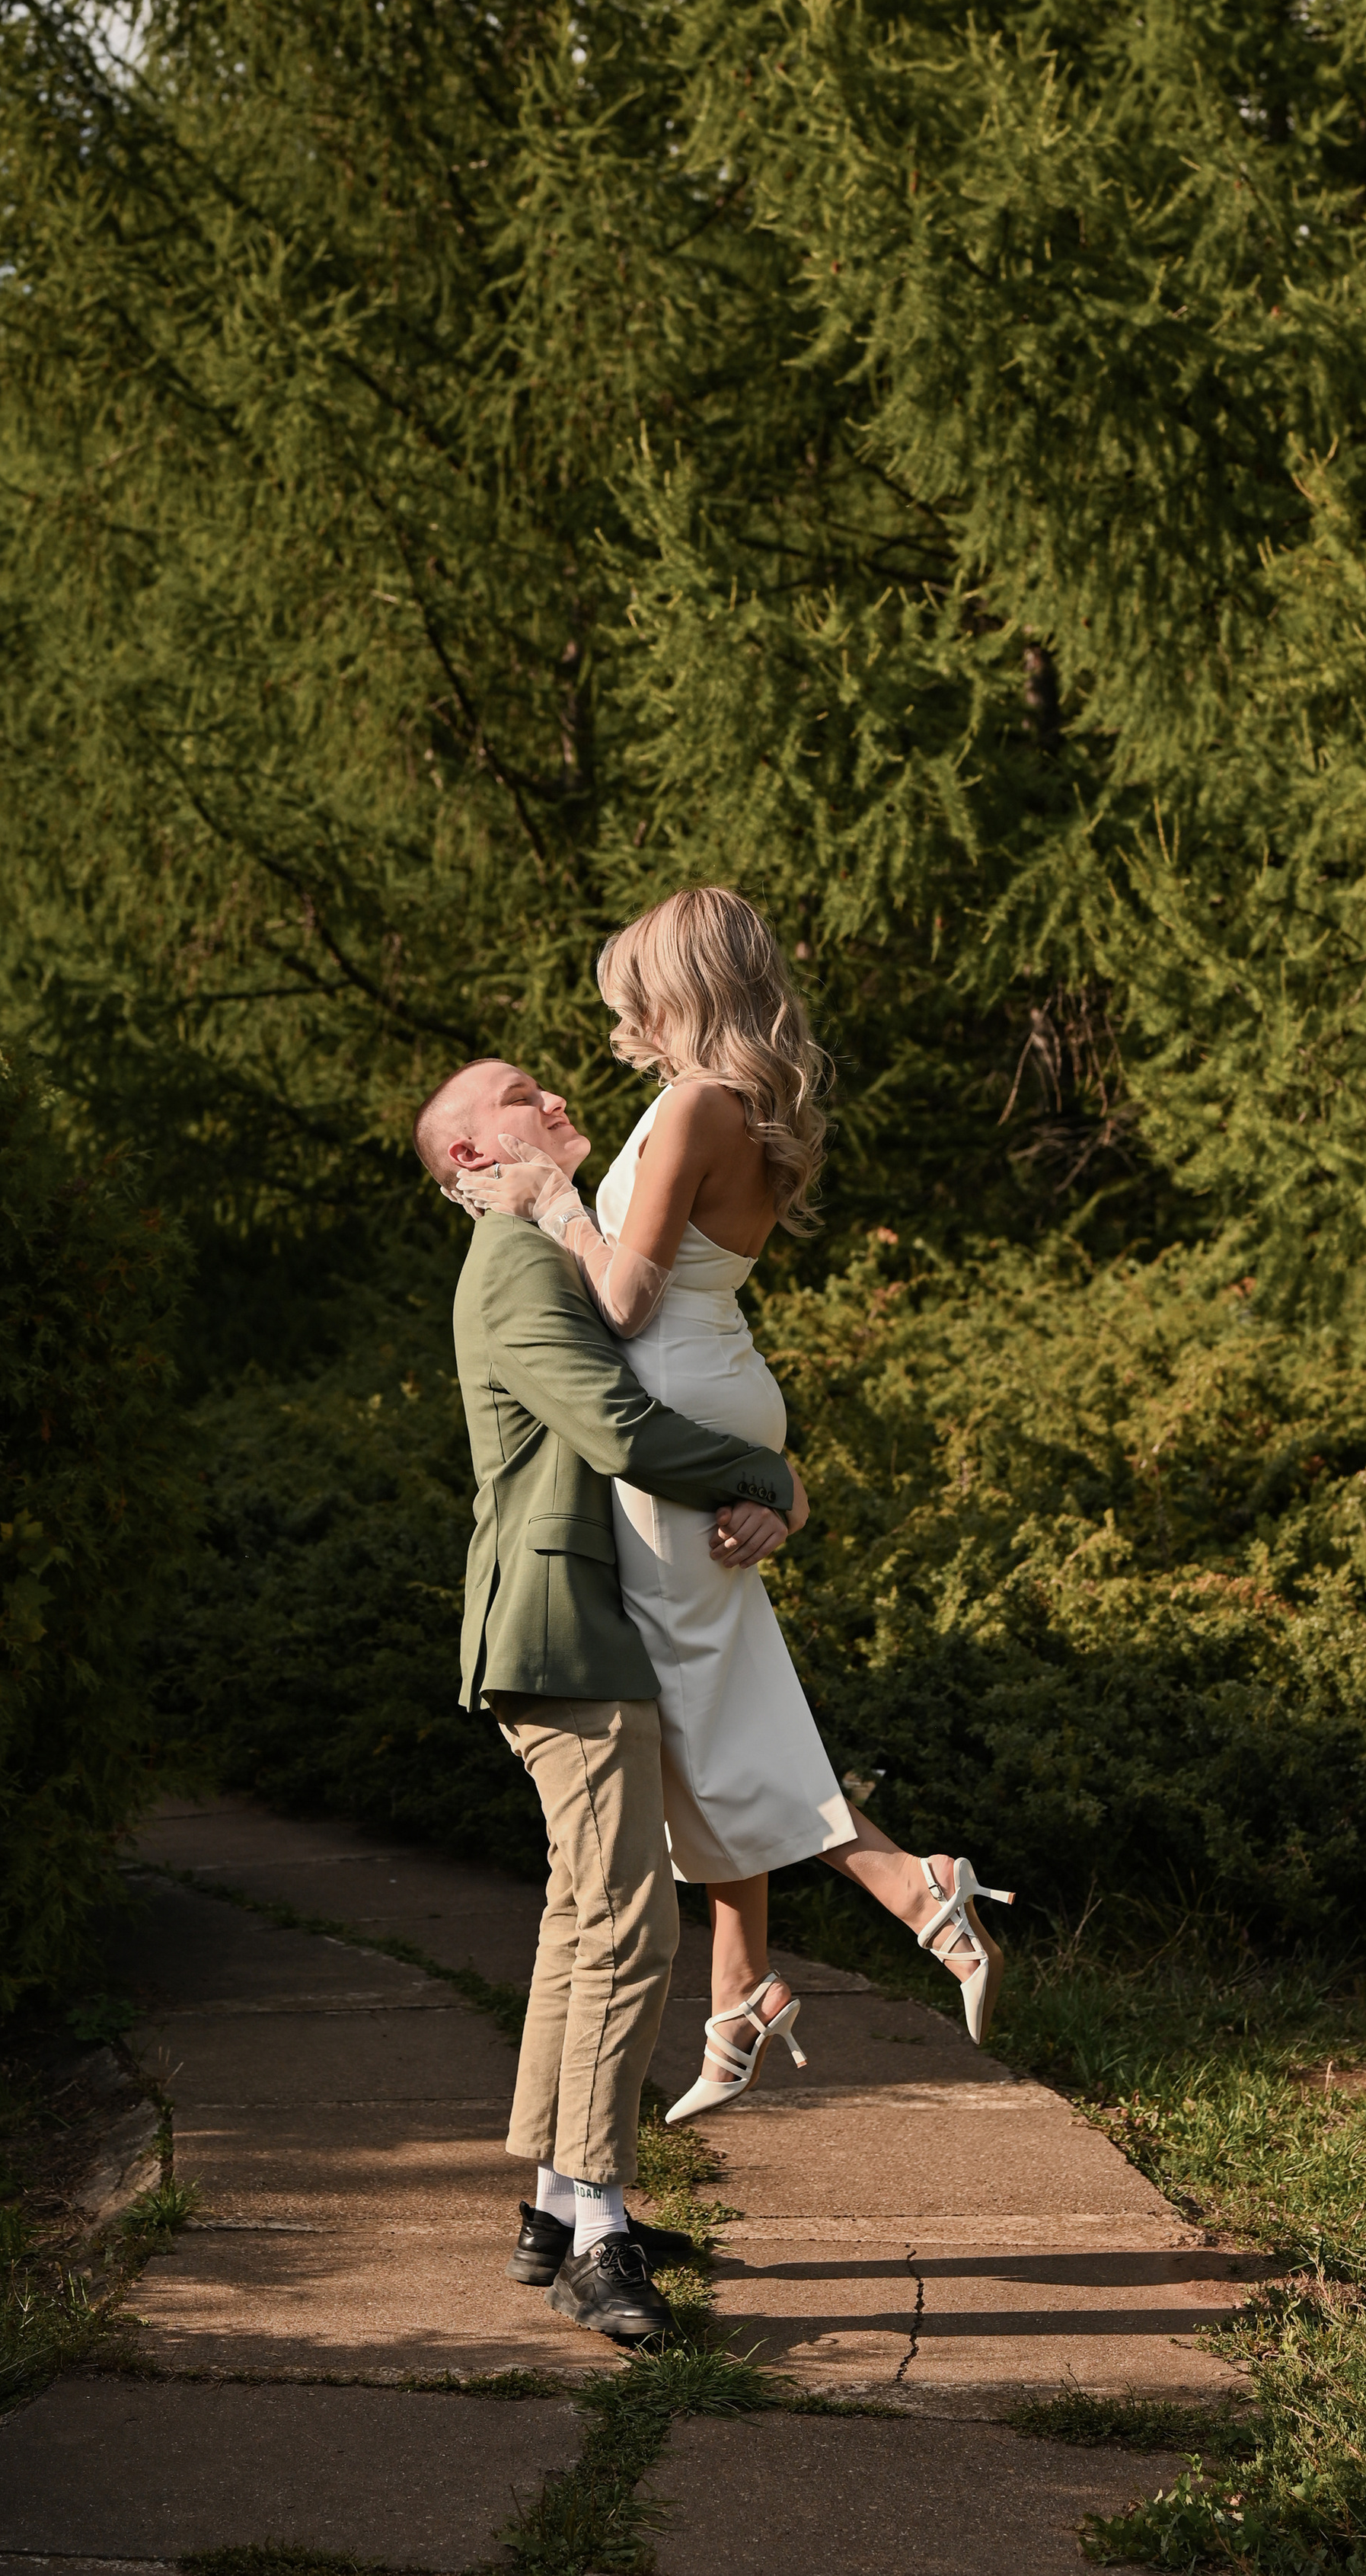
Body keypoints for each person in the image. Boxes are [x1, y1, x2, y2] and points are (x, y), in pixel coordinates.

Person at [457, 887, 1013, 2124]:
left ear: (681, 986)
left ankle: (912, 1889)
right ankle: (744, 1983)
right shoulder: (736, 1105)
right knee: (709, 1694)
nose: (617, 1019)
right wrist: (779, 1481)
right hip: (722, 1387)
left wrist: (548, 1204)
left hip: (673, 1405)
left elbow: (623, 1307)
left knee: (697, 1713)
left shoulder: (701, 1104)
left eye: (631, 991)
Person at [413, 1052, 808, 2345]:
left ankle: (550, 2203)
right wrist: (774, 1474)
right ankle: (598, 2234)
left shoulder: (538, 1257)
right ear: (473, 1158)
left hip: (583, 1626)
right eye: (524, 1096)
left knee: (581, 1915)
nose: (558, 1101)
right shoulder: (517, 1264)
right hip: (562, 1628)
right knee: (630, 1927)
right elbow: (622, 1430)